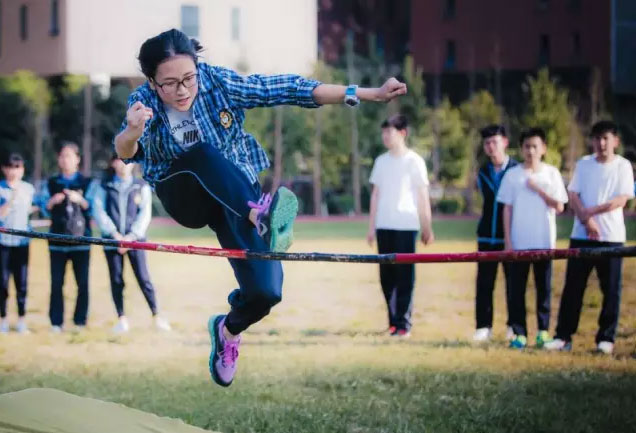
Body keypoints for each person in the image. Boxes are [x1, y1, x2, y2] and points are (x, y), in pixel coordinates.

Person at [113, 29, 407, 387]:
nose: (183, 90)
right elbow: (125, 152)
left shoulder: (217, 82)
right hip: (186, 195)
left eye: (189, 78)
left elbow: (287, 88)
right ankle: (260, 215)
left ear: (198, 69)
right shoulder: (142, 102)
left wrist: (366, 93)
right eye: (170, 83)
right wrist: (131, 132)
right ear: (152, 82)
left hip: (235, 193)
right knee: (202, 153)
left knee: (267, 292)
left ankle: (228, 330)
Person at [545, 120, 635, 354]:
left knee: (611, 291)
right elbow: (573, 194)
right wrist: (586, 221)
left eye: (606, 138)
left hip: (611, 237)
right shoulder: (584, 164)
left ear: (615, 141)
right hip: (581, 236)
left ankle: (606, 339)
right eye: (597, 138)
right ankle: (563, 337)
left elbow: (621, 200)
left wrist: (589, 213)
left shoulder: (623, 166)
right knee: (573, 288)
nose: (601, 143)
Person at [497, 128, 568, 349]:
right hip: (519, 243)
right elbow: (507, 209)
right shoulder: (513, 175)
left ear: (543, 148)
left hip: (544, 242)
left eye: (535, 146)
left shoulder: (552, 174)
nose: (531, 151)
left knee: (543, 289)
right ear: (521, 149)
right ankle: (519, 333)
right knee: (516, 290)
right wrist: (508, 241)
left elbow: (560, 206)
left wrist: (538, 189)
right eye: (527, 146)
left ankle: (543, 332)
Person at [366, 114, 433, 338]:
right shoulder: (381, 161)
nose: (385, 136)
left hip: (406, 225)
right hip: (384, 225)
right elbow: (375, 195)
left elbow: (422, 196)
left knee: (405, 276)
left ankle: (404, 324)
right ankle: (393, 323)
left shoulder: (415, 161)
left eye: (390, 132)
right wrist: (371, 227)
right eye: (383, 132)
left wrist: (427, 226)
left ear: (403, 133)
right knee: (386, 277)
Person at [92, 156, 171, 334]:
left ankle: (157, 316)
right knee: (116, 280)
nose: (123, 165)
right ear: (113, 163)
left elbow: (145, 214)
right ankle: (121, 319)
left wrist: (131, 237)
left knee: (144, 278)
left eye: (127, 161)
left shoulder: (141, 186)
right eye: (119, 160)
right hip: (112, 242)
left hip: (136, 242)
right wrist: (115, 235)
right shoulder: (104, 186)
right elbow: (99, 211)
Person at [40, 142, 93, 333]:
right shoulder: (51, 182)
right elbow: (43, 207)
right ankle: (56, 323)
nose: (65, 160)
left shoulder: (87, 182)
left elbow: (93, 208)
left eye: (69, 156)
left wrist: (81, 200)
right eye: (62, 156)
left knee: (83, 283)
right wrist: (52, 202)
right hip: (56, 242)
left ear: (77, 159)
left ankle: (80, 321)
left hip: (81, 241)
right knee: (56, 283)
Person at [473, 124, 519, 342]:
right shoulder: (482, 171)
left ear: (505, 142)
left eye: (494, 142)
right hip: (486, 235)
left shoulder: (516, 170)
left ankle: (513, 326)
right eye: (487, 143)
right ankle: (483, 326)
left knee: (513, 283)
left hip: (511, 235)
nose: (491, 147)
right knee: (484, 283)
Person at [0, 153, 36, 334]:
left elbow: (35, 208)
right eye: (11, 167)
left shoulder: (29, 189)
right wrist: (11, 199)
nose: (14, 171)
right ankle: (3, 319)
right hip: (3, 243)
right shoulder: (1, 188)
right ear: (4, 169)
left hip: (22, 243)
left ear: (22, 170)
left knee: (22, 283)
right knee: (2, 283)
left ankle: (22, 319)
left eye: (18, 167)